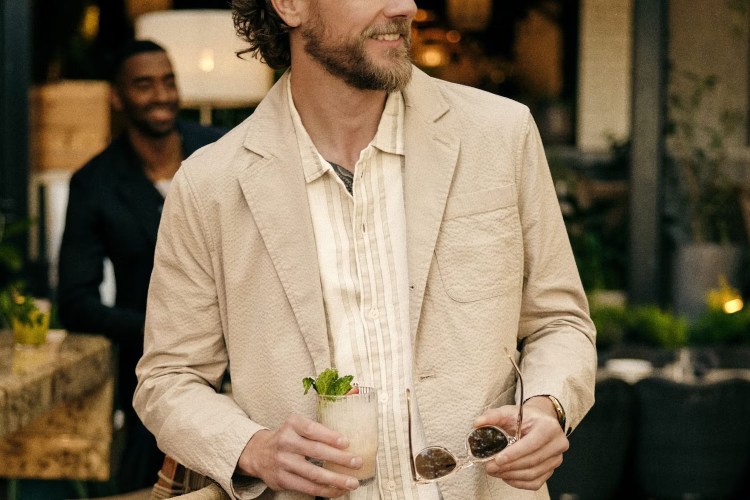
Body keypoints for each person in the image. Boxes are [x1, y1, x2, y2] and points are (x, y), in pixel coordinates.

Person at [133, 1, 597, 499]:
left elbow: (559, 321)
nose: (405, 6)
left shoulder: (501, 134)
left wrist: (547, 404)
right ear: (289, 5)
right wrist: (250, 447)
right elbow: (168, 379)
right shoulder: (209, 184)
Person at [57, 39, 225, 492]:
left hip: (246, 361)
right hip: (152, 375)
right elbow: (75, 302)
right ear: (117, 96)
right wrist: (159, 329)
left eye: (169, 81)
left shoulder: (219, 151)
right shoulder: (94, 183)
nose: (162, 95)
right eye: (144, 85)